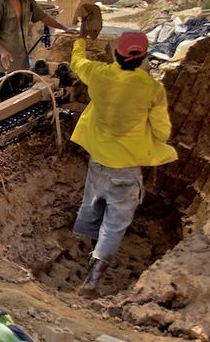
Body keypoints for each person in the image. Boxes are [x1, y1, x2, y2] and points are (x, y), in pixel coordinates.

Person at [70, 29, 178, 298]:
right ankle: (92, 282)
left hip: (98, 161)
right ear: (144, 58)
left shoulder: (99, 74)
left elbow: (77, 62)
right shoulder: (152, 89)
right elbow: (163, 132)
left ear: (116, 54)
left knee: (94, 207)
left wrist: (81, 40)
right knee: (114, 224)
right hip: (126, 169)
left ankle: (91, 254)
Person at [0, 0, 70, 101]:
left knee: (19, 98)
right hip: (4, 63)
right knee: (2, 99)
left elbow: (43, 16)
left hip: (21, 58)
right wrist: (2, 51)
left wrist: (65, 28)